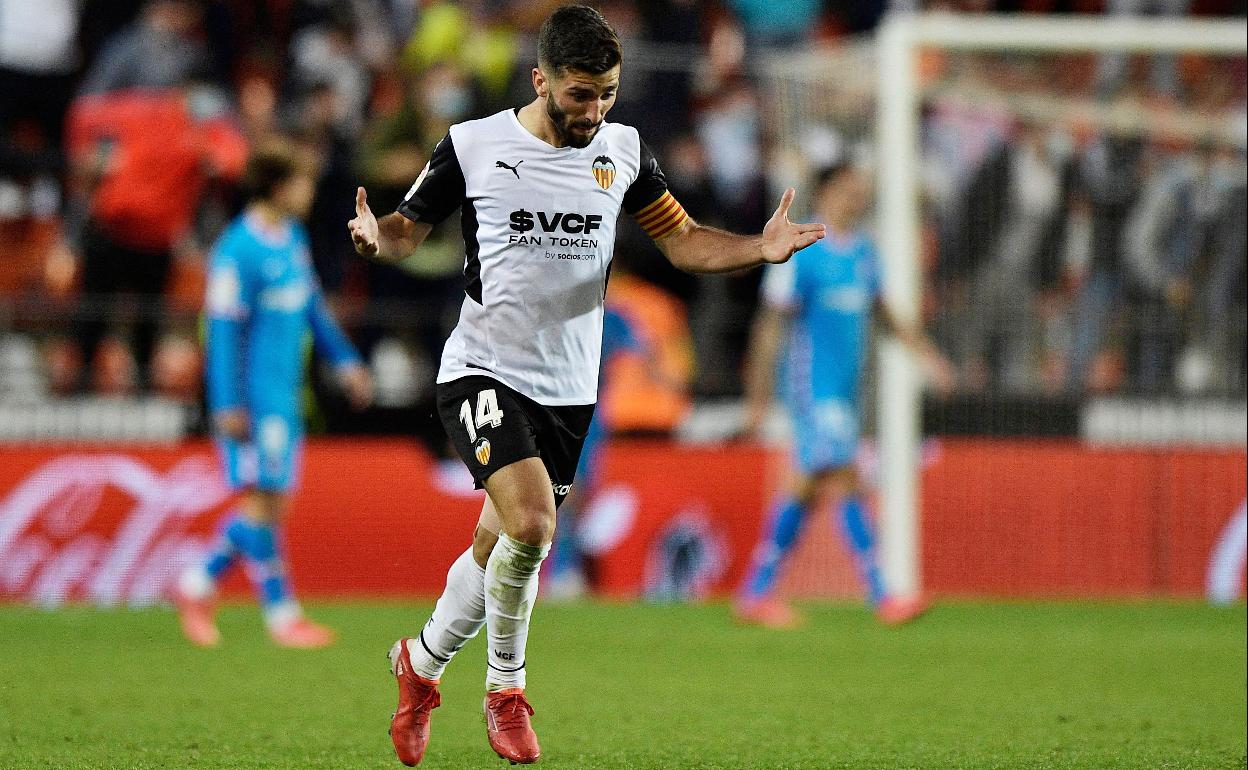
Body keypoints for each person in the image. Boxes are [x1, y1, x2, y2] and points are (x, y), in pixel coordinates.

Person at [346, 6, 825, 765]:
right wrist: (380, 239)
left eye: (606, 94)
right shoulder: (474, 146)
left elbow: (685, 242)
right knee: (533, 526)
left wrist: (755, 249)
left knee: (496, 545)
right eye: (579, 95)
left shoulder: (624, 152)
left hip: (567, 388)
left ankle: (422, 663)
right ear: (541, 80)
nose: (593, 111)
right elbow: (410, 226)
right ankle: (506, 691)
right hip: (482, 369)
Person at [734, 161, 955, 630]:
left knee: (807, 485)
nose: (856, 197)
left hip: (844, 393)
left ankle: (755, 592)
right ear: (827, 192)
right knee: (846, 476)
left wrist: (928, 357)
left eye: (861, 189)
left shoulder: (865, 255)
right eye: (848, 189)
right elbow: (771, 327)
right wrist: (757, 395)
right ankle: (881, 594)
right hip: (812, 390)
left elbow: (886, 315)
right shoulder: (802, 255)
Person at [174, 141, 372, 649]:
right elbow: (220, 332)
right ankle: (267, 609)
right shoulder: (235, 250)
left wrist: (346, 361)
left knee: (271, 502)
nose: (309, 192)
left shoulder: (290, 239)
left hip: (285, 393)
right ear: (279, 186)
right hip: (254, 399)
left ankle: (204, 586)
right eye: (303, 182)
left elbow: (312, 309)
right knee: (267, 500)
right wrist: (226, 404)